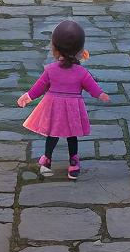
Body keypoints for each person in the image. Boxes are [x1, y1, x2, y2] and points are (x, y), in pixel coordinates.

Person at [17, 19, 109, 179]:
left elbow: (39, 87)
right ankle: (73, 162)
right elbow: (91, 86)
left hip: (53, 109)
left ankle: (46, 160)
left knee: (52, 135)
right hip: (73, 109)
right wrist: (101, 95)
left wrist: (28, 96)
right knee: (71, 136)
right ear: (80, 49)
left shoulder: (50, 70)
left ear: (55, 49)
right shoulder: (81, 72)